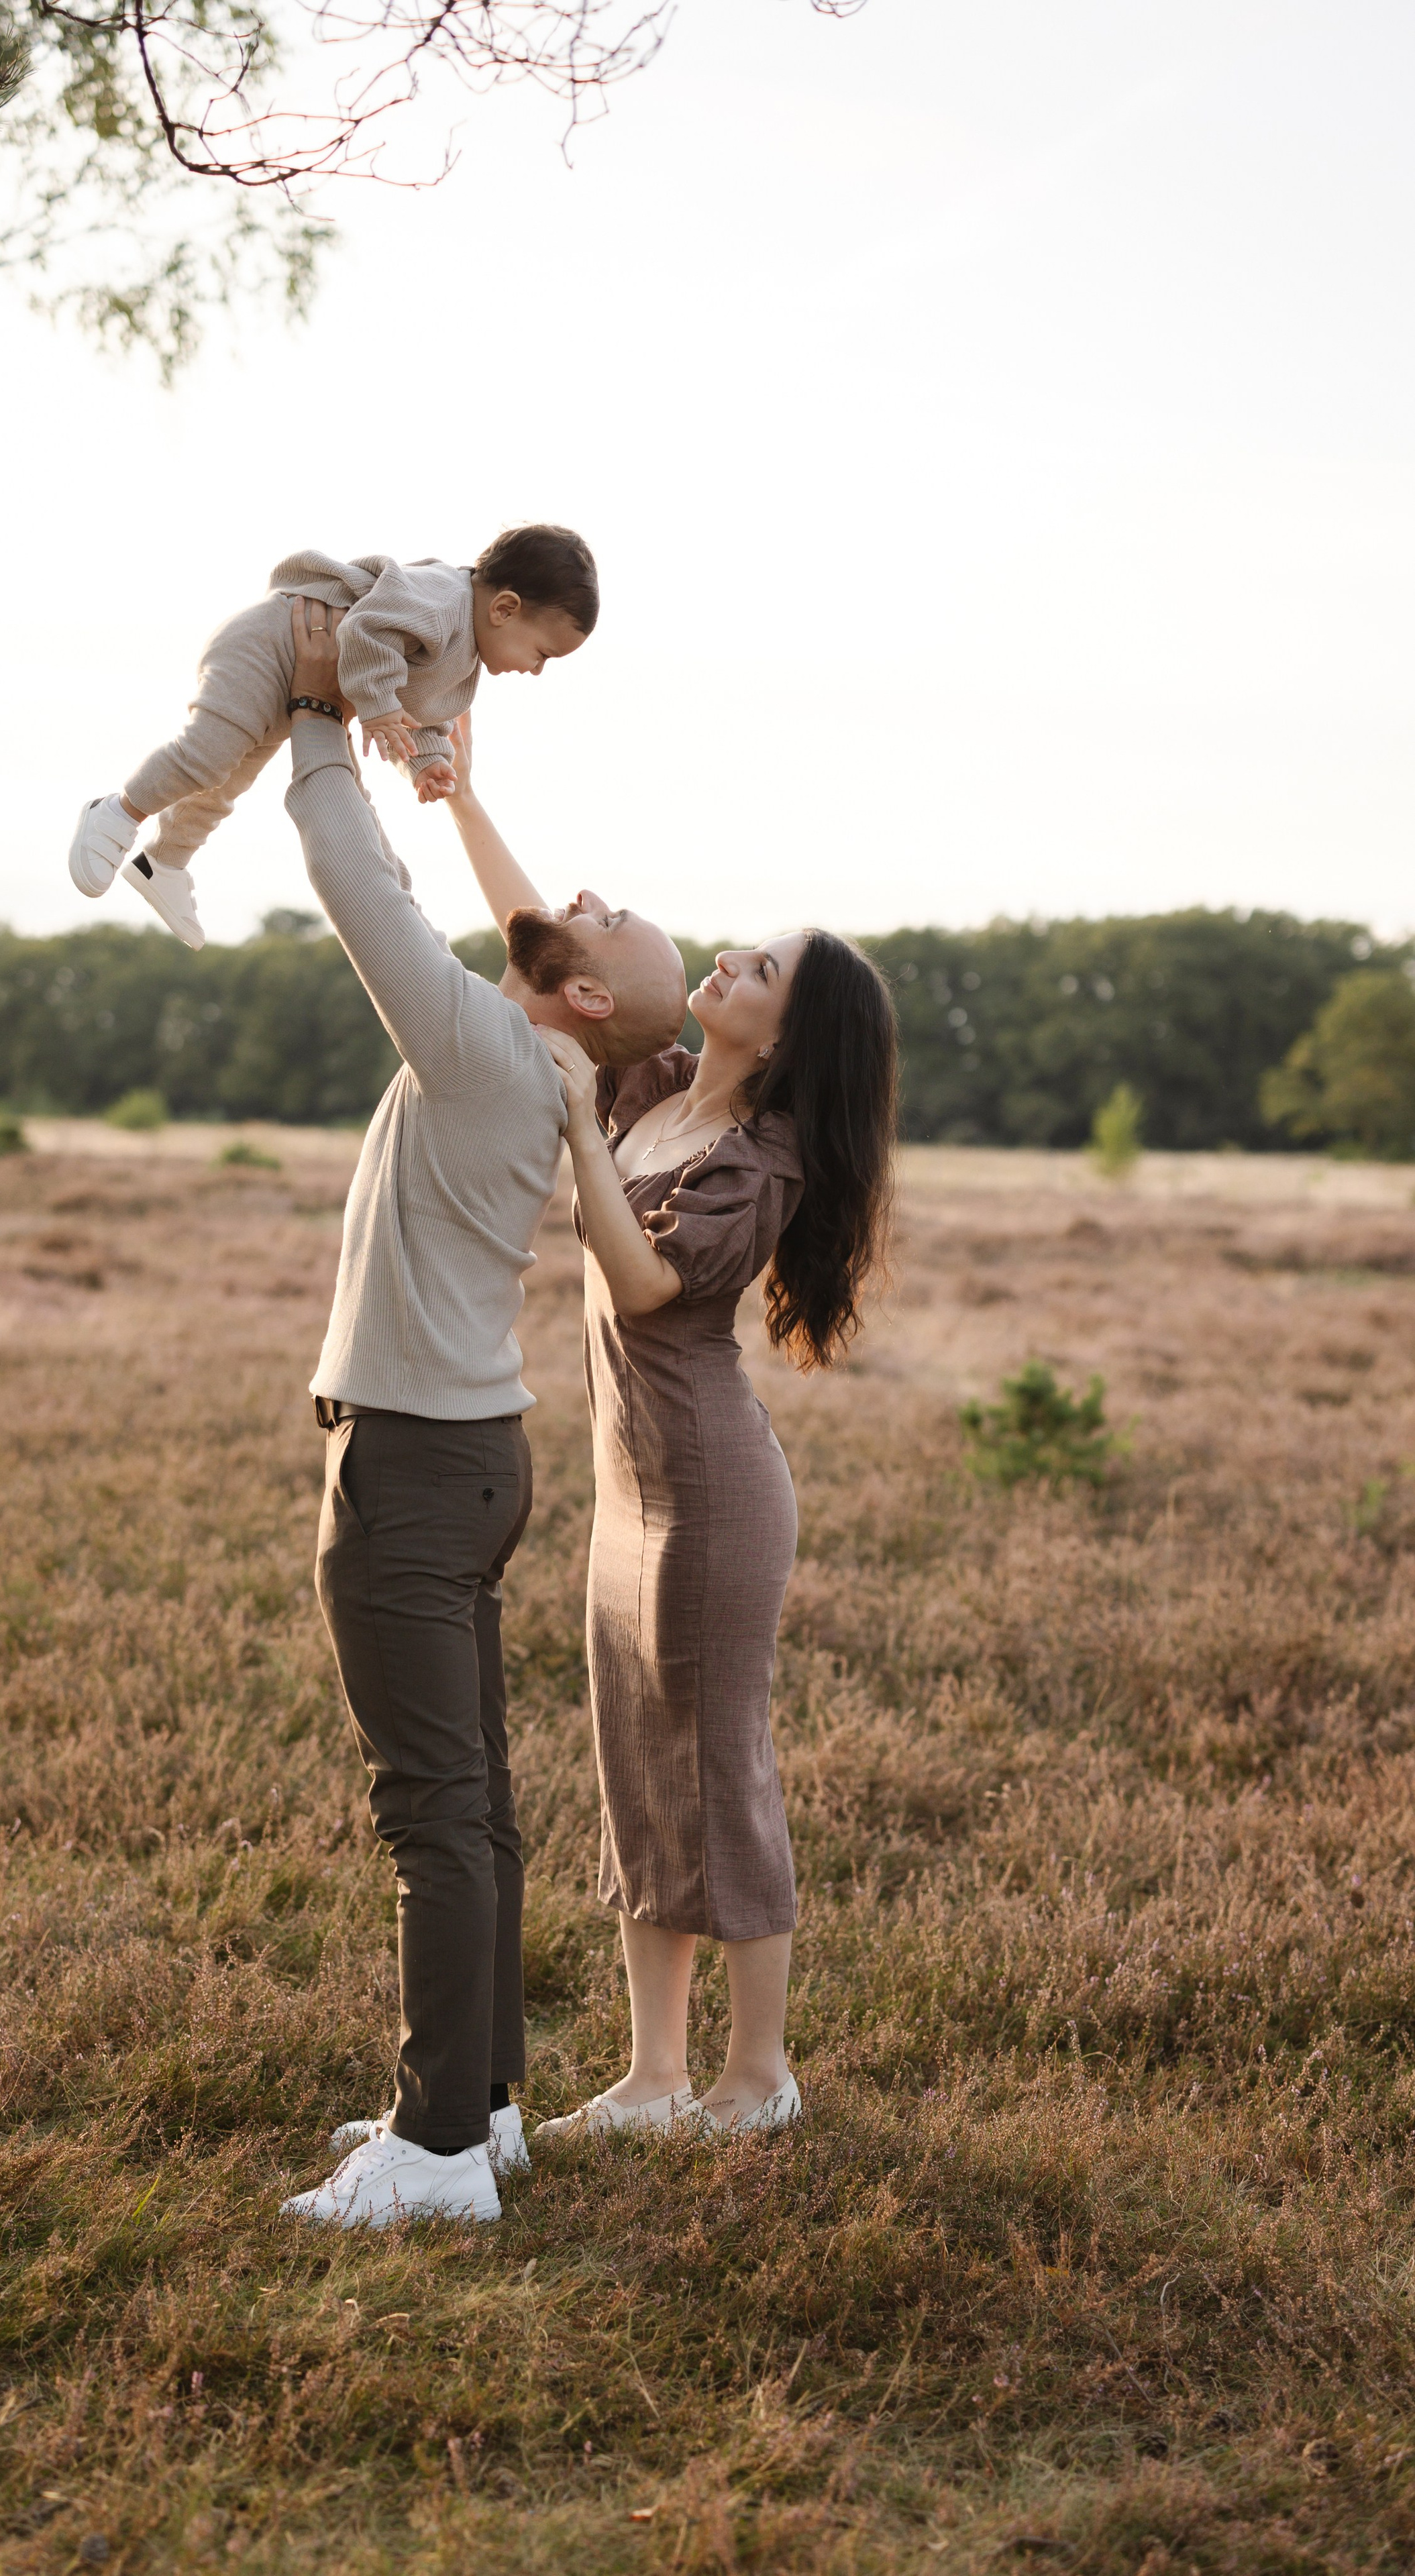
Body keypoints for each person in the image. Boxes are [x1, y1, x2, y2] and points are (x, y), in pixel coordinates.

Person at [272, 602, 689, 2229]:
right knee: (478, 1807)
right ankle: (485, 2101)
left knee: (431, 1813)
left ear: (584, 994)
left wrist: (312, 709)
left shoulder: (479, 1049)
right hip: (469, 1454)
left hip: (417, 1462)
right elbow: (465, 895)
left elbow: (347, 878)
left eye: (604, 919)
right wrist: (447, 766)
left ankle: (437, 2152)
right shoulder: (535, 1064)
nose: (573, 900)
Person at [454, 795, 898, 2139]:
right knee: (636, 1775)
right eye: (742, 952)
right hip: (627, 1493)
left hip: (709, 1496)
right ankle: (654, 2077)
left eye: (757, 972)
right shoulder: (650, 1087)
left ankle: (754, 2078)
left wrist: (575, 1128)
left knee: (719, 1774)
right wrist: (459, 793)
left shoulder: (758, 1159)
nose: (725, 964)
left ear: (785, 1034)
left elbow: (645, 1288)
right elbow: (545, 957)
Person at [66, 525, 598, 951]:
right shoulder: (442, 600)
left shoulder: (465, 669)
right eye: (542, 654)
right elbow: (366, 630)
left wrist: (425, 764)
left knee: (228, 781)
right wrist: (379, 705)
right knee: (207, 757)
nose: (536, 671)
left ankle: (165, 860)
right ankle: (119, 811)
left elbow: (424, 720)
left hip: (300, 679)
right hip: (272, 644)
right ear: (504, 609)